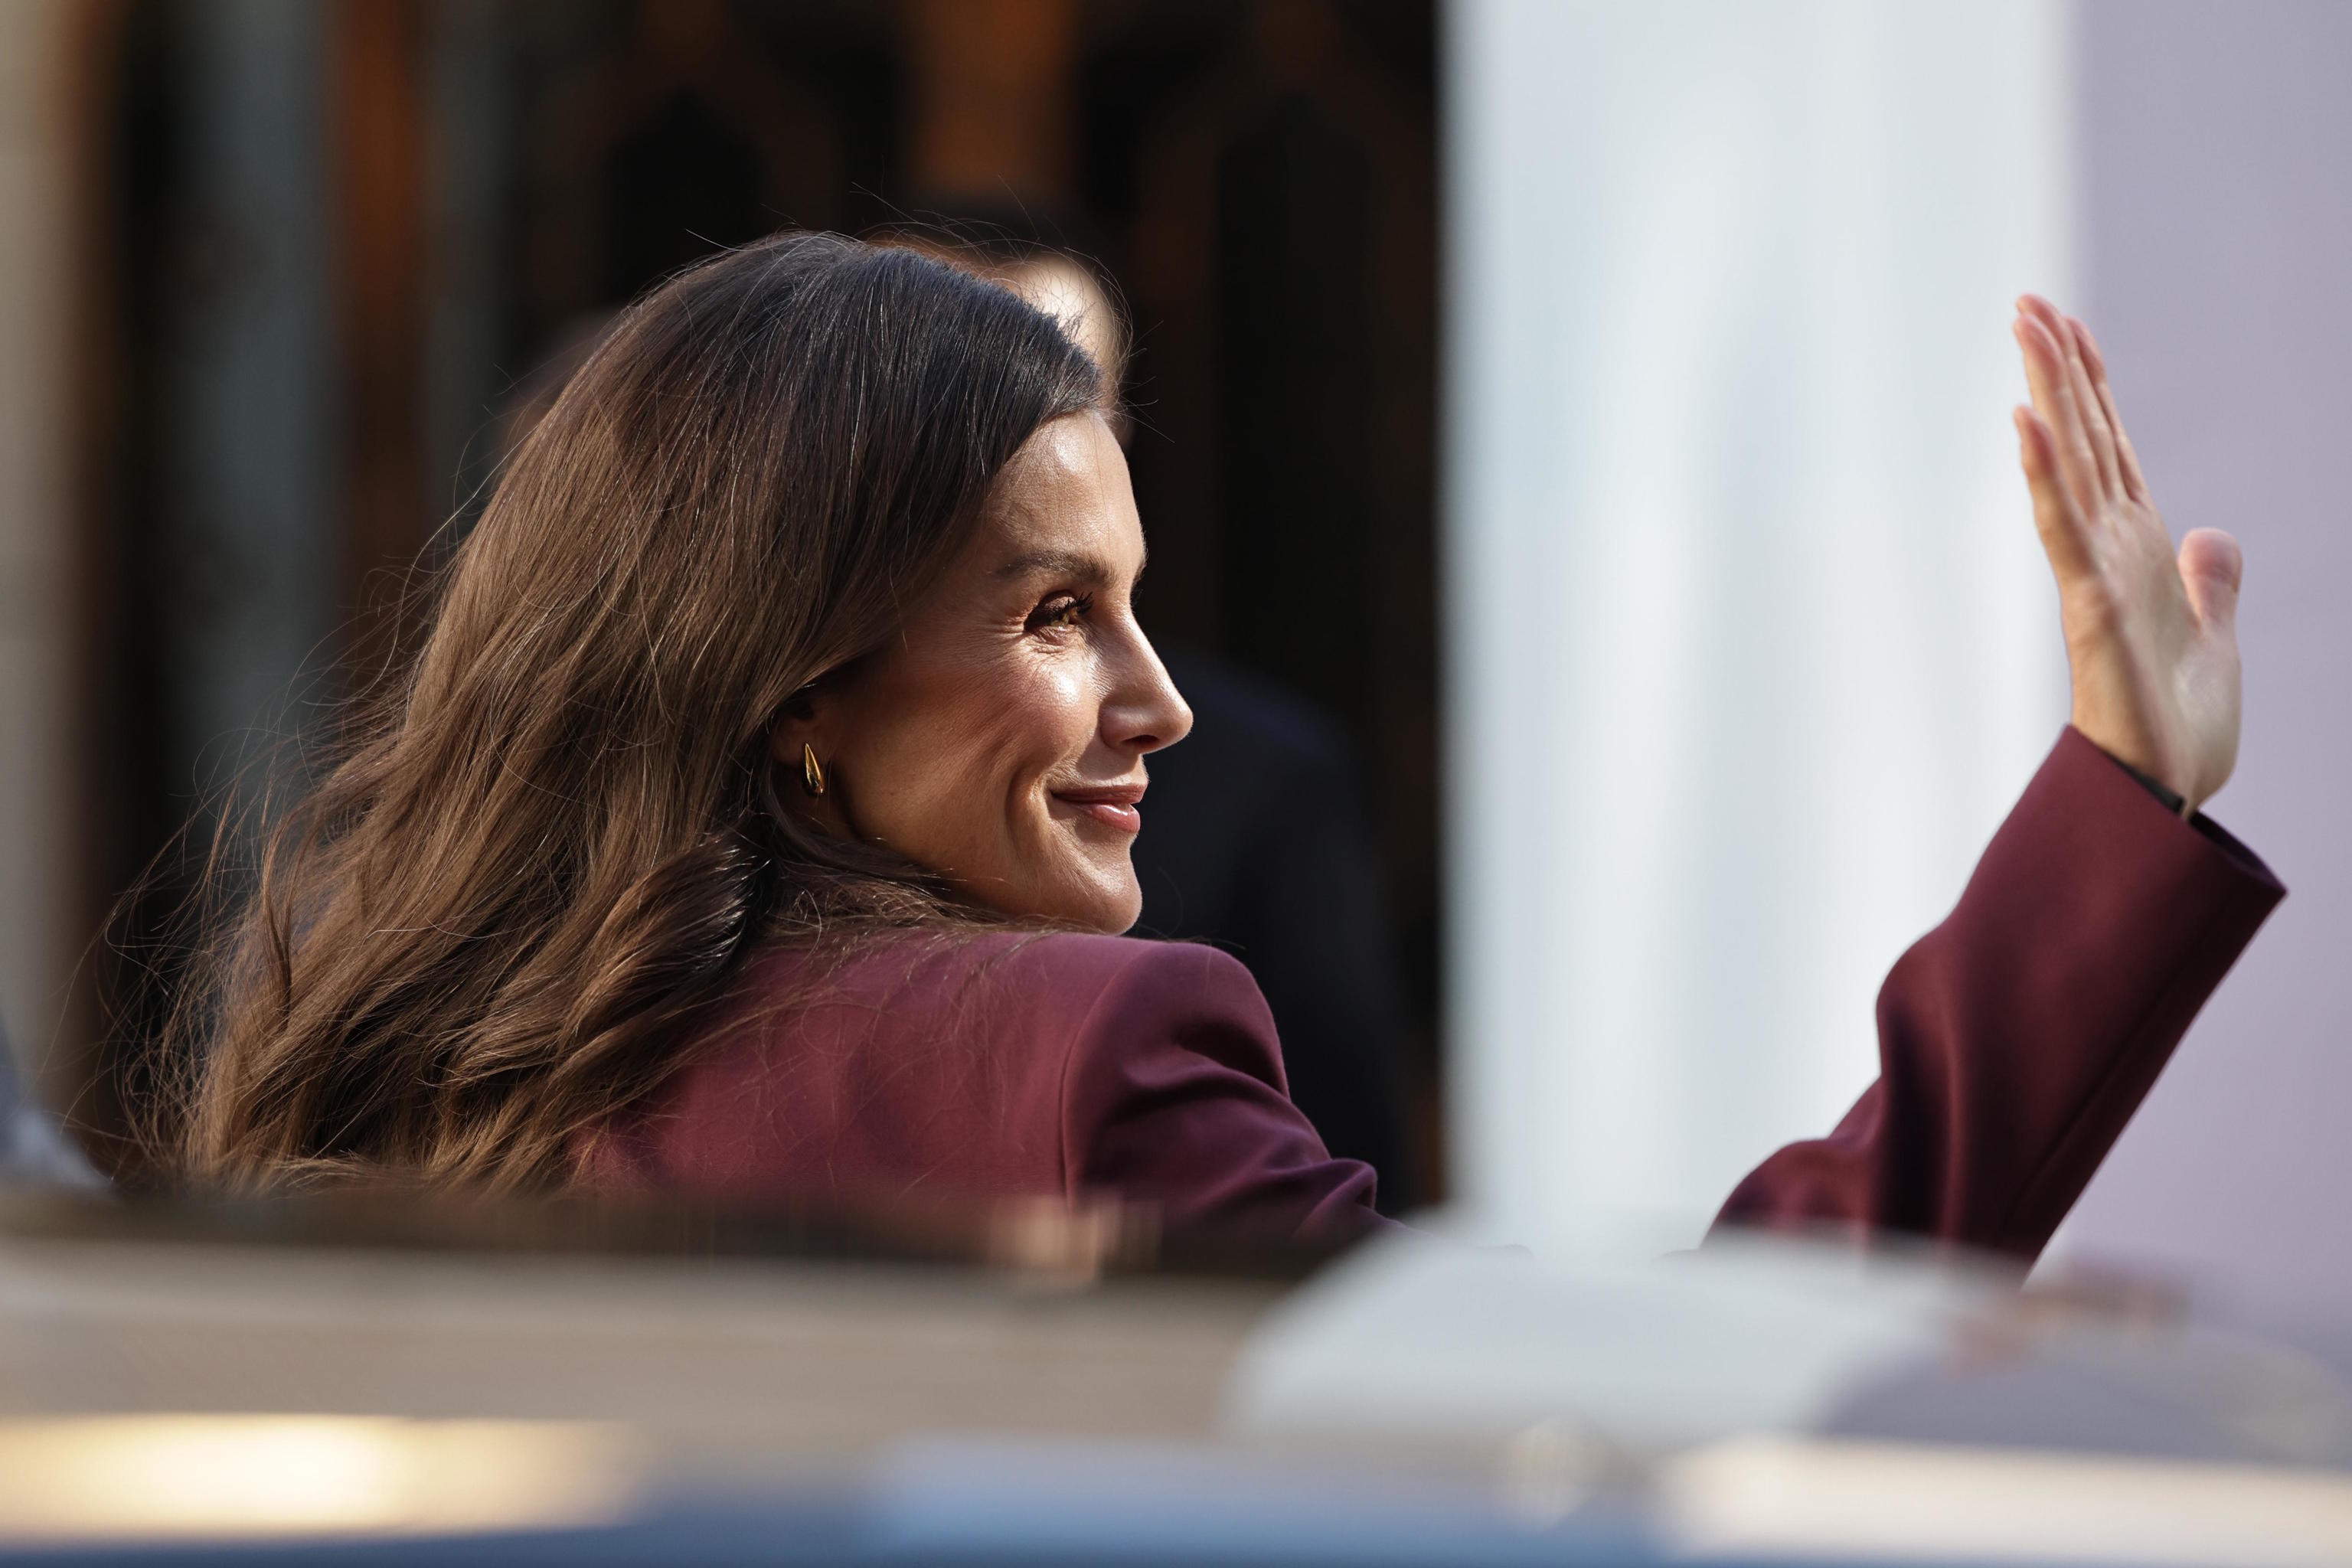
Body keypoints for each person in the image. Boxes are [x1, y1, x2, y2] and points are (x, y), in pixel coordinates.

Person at [161, 234, 2278, 1262]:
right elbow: (1625, 1438)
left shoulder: (389, 1048)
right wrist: (2125, 809)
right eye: (1057, 615)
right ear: (790, 679)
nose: (1164, 704)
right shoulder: (1082, 1058)